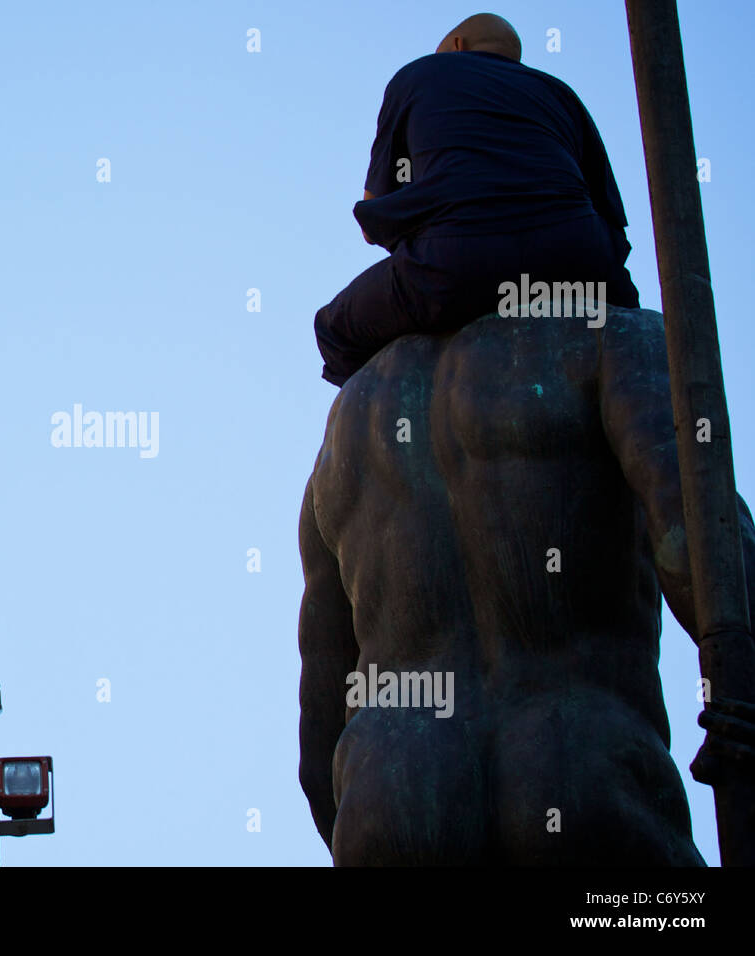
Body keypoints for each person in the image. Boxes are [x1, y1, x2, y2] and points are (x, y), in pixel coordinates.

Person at [297, 303, 755, 864]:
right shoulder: (613, 341)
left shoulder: (346, 426)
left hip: (390, 800)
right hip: (580, 774)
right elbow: (701, 550)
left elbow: (320, 732)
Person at [313, 13, 641, 387]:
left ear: (457, 46)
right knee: (640, 341)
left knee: (333, 330)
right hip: (579, 262)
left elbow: (375, 210)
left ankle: (406, 429)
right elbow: (610, 214)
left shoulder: (420, 74)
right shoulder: (563, 94)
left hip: (460, 263)